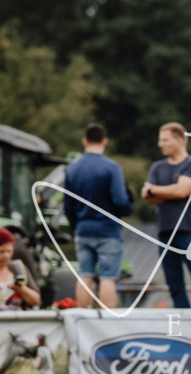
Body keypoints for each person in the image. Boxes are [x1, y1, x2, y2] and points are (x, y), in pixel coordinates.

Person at [141, 122, 191, 308]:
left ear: (179, 140)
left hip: (190, 231)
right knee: (174, 285)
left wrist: (155, 190)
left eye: (165, 140)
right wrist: (168, 191)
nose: (160, 144)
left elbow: (181, 191)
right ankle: (182, 323)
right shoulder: (157, 167)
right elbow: (147, 196)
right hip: (165, 232)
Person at [64, 123, 133, 309]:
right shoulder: (112, 168)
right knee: (108, 277)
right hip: (107, 230)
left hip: (83, 229)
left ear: (84, 141)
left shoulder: (72, 169)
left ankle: (83, 317)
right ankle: (106, 321)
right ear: (105, 142)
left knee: (85, 274)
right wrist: (127, 210)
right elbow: (120, 200)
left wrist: (76, 225)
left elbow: (67, 205)